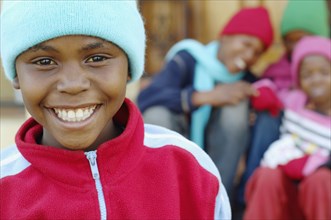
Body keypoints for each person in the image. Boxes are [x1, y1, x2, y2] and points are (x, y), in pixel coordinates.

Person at [0, 1, 231, 219]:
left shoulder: (189, 169)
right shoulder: (5, 187)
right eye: (44, 62)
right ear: (17, 75)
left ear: (129, 68)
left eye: (97, 58)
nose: (72, 85)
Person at [137, 7, 273, 198]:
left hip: (218, 161)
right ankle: (162, 198)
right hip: (180, 143)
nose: (250, 55)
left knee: (237, 107)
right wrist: (205, 97)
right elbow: (147, 98)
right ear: (225, 37)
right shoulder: (188, 59)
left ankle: (215, 199)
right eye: (246, 44)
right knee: (156, 115)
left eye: (257, 52)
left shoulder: (248, 81)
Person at [237, 0, 330, 206]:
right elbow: (265, 89)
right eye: (290, 40)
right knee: (267, 117)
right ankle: (250, 189)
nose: (296, 46)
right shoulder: (276, 69)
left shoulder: (325, 62)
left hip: (320, 146)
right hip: (286, 142)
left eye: (303, 38)